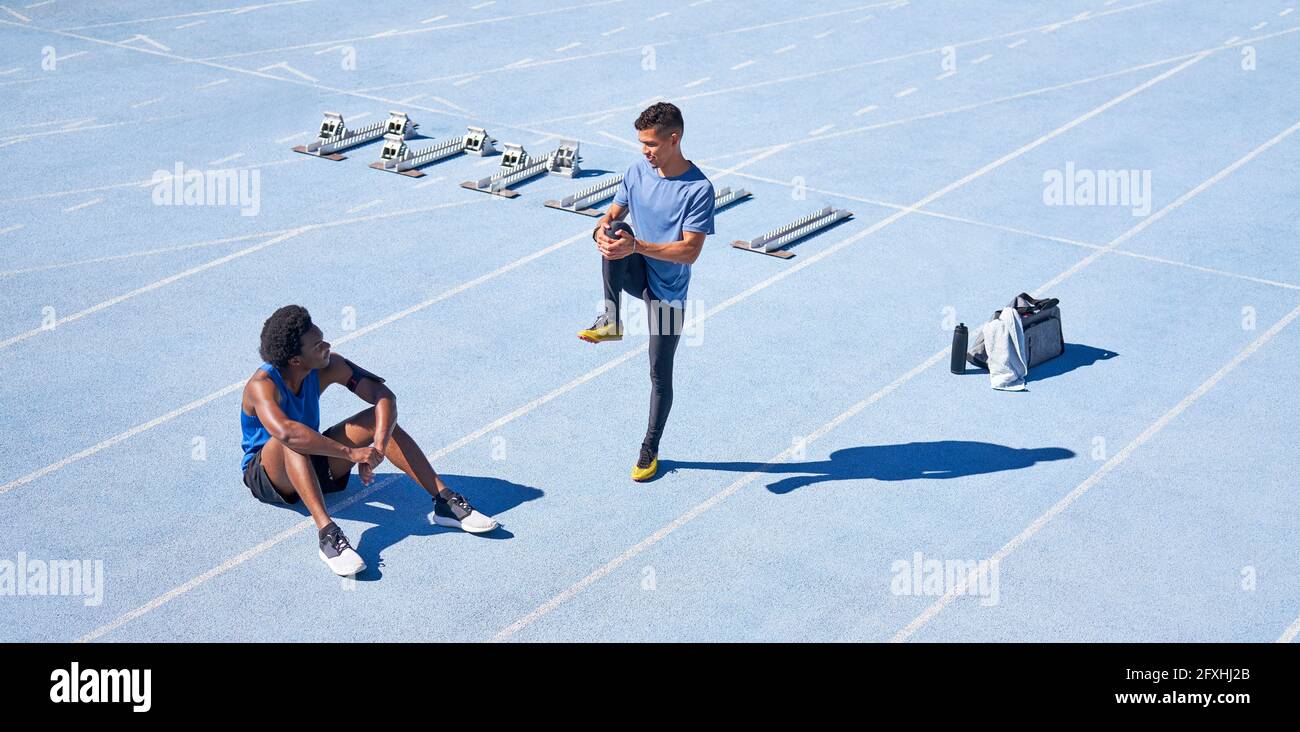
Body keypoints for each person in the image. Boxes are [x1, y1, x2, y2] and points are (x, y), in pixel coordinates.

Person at [239, 305, 497, 576]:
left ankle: (445, 501)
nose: (327, 345)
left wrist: (377, 449)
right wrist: (350, 454)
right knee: (291, 439)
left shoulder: (329, 365)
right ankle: (328, 535)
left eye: (323, 338)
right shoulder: (261, 386)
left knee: (380, 421)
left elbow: (384, 397)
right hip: (268, 475)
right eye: (317, 345)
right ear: (295, 360)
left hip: (312, 461)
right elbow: (288, 433)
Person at [577, 102, 715, 482]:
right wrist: (599, 233)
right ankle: (611, 319)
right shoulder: (637, 171)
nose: (644, 151)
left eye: (651, 143)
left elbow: (690, 251)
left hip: (668, 293)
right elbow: (610, 215)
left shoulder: (698, 189)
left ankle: (649, 448)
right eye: (641, 142)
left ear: (674, 140)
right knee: (616, 233)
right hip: (635, 272)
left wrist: (635, 247)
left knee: (659, 373)